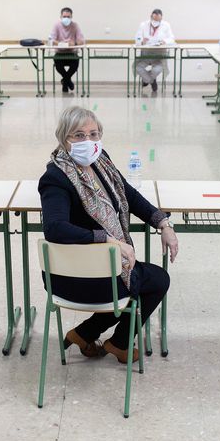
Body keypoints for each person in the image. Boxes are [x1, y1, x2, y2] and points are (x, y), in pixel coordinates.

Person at [38, 106, 177, 362]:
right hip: (76, 278)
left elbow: (129, 195)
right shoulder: (55, 177)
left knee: (131, 279)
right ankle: (120, 344)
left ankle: (84, 333)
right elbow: (54, 228)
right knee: (155, 280)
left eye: (93, 134)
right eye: (78, 135)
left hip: (100, 272)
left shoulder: (101, 161)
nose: (88, 141)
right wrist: (107, 239)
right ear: (63, 138)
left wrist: (163, 224)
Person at [134, 9, 175, 93]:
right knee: (137, 67)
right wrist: (141, 41)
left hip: (159, 55)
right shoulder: (143, 25)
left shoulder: (166, 25)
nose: (156, 21)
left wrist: (165, 41)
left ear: (161, 18)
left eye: (158, 20)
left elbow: (172, 38)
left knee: (156, 70)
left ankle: (146, 80)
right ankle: (152, 81)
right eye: (154, 19)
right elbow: (137, 38)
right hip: (146, 54)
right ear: (151, 17)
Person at [49, 7, 85, 93]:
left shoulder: (75, 25)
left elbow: (82, 40)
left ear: (71, 17)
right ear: (61, 16)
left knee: (75, 64)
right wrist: (61, 43)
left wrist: (75, 44)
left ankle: (65, 82)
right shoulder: (56, 25)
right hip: (59, 53)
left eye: (68, 17)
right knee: (58, 66)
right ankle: (67, 81)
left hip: (72, 53)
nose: (66, 18)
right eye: (64, 16)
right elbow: (51, 40)